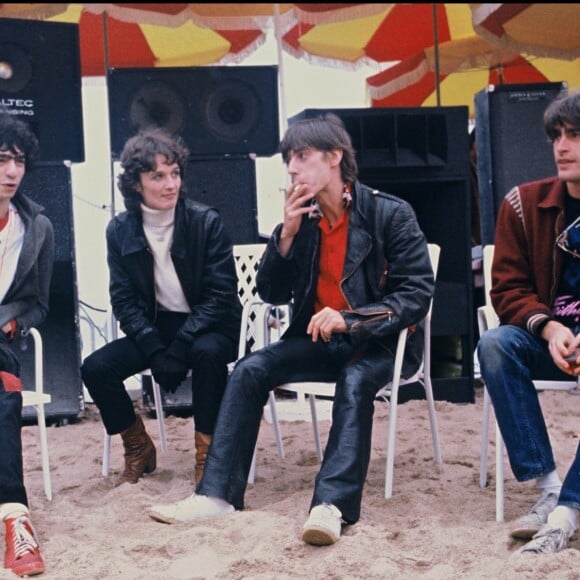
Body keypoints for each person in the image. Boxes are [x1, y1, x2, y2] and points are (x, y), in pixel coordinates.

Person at [147, 112, 435, 545]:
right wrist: (285, 235)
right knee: (249, 367)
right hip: (321, 342)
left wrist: (350, 319)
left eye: (302, 156)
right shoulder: (307, 221)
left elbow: (417, 294)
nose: (293, 169)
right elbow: (271, 292)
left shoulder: (389, 214)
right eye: (289, 160)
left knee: (356, 381)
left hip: (381, 345)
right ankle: (217, 494)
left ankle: (331, 505)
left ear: (335, 156)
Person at [81, 129, 241, 487]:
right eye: (157, 176)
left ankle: (209, 458)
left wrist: (180, 346)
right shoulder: (119, 230)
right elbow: (123, 299)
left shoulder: (205, 222)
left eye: (175, 173)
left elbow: (221, 296)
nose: (170, 184)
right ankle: (137, 446)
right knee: (95, 368)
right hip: (160, 329)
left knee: (207, 353)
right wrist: (154, 348)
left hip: (213, 326)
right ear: (136, 183)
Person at [477, 90, 580, 554]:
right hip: (547, 342)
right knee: (495, 345)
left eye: (575, 135)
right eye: (556, 135)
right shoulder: (522, 203)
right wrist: (551, 327)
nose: (561, 146)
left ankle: (567, 512)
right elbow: (507, 290)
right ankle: (548, 486)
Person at [0, 112, 54, 576]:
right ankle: (14, 514)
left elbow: (39, 305)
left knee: (2, 387)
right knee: (4, 388)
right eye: (1, 160)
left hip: (0, 343)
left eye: (18, 161)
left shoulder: (36, 228)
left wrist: (14, 323)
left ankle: (15, 518)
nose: (12, 171)